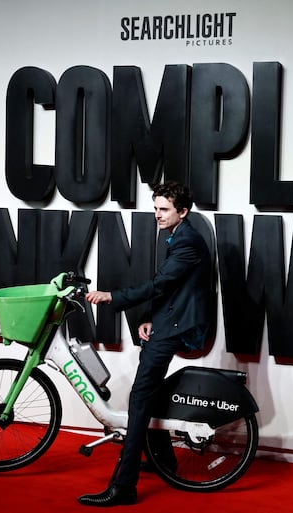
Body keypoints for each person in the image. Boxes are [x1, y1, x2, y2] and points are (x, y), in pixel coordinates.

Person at [79, 181, 212, 507]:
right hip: (170, 319)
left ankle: (124, 487)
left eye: (164, 209)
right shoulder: (178, 234)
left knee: (139, 401)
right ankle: (162, 460)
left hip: (180, 326)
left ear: (182, 211)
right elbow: (171, 288)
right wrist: (152, 317)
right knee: (147, 394)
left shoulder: (187, 241)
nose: (157, 215)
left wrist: (113, 296)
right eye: (155, 208)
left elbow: (159, 283)